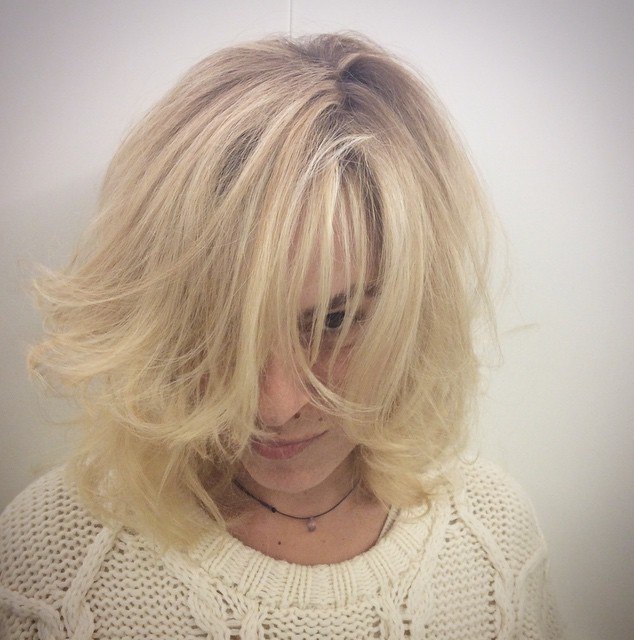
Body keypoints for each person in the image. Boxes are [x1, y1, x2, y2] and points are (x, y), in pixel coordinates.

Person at [0, 33, 563, 639]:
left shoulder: (494, 542)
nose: (275, 404)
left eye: (334, 321)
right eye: (221, 325)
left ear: (415, 309)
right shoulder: (53, 562)